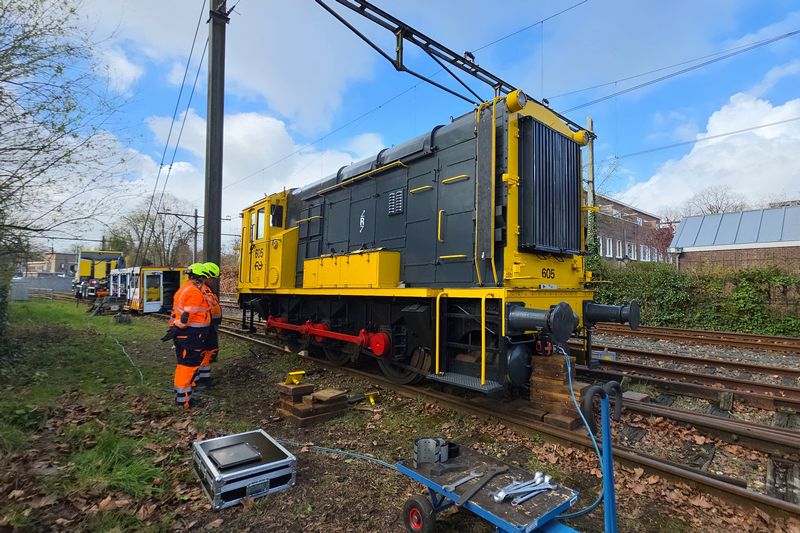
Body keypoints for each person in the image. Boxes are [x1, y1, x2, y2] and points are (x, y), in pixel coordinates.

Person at [168, 263, 211, 408]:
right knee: (188, 366)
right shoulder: (193, 292)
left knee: (183, 364)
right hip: (190, 335)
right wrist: (180, 328)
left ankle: (183, 395)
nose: (205, 281)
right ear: (199, 277)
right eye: (204, 278)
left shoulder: (183, 289)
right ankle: (185, 400)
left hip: (184, 335)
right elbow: (187, 317)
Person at [196, 261, 221, 388]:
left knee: (208, 351)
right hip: (204, 326)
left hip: (209, 326)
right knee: (202, 352)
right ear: (207, 276)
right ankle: (198, 380)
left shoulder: (207, 289)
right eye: (213, 278)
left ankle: (204, 378)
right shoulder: (202, 290)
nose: (214, 281)